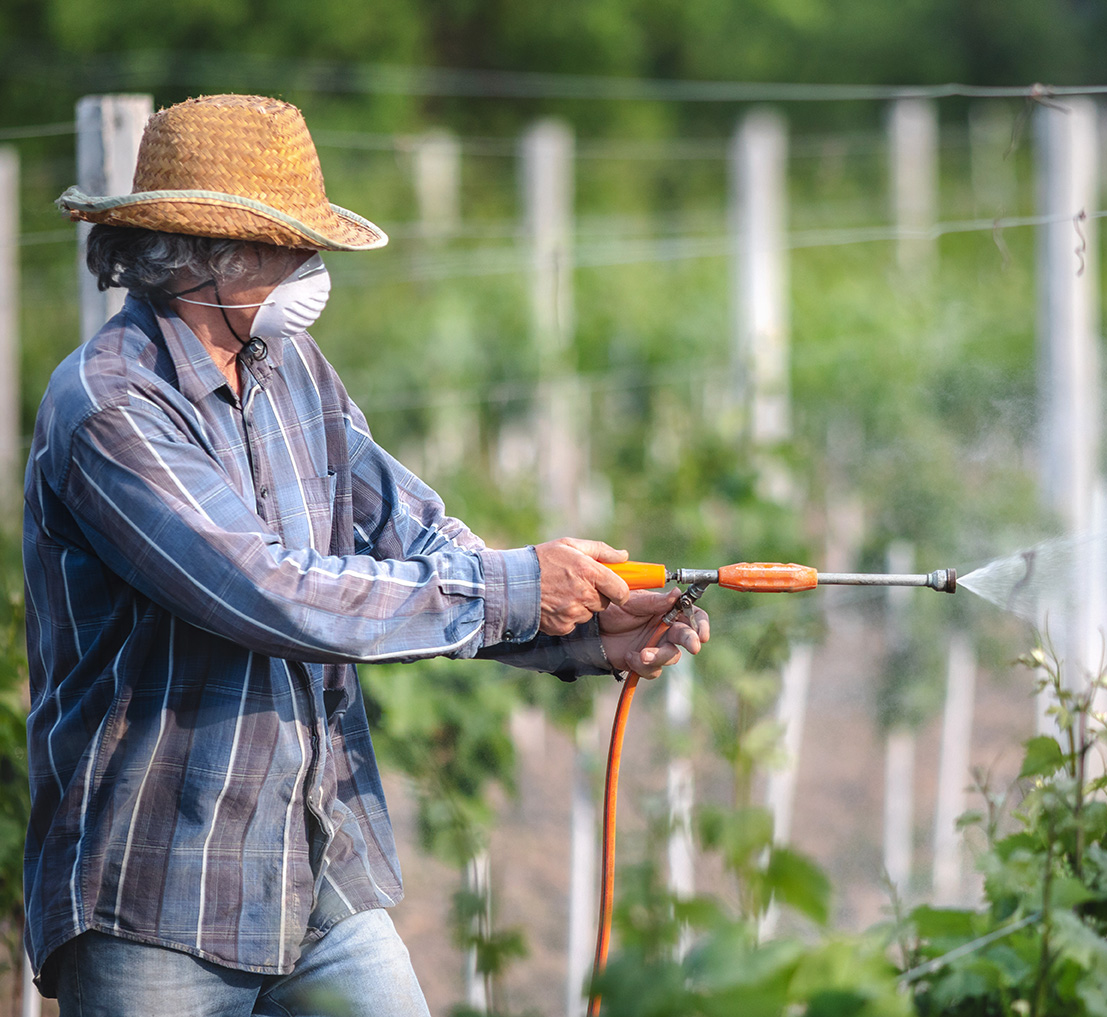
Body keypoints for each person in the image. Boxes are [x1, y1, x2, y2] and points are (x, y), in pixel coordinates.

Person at [23, 93, 708, 1016]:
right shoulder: (112, 408)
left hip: (316, 870)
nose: (312, 267)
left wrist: (578, 625)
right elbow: (266, 591)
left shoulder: (293, 370)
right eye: (291, 245)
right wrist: (514, 588)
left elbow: (411, 535)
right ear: (207, 255)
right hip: (157, 895)